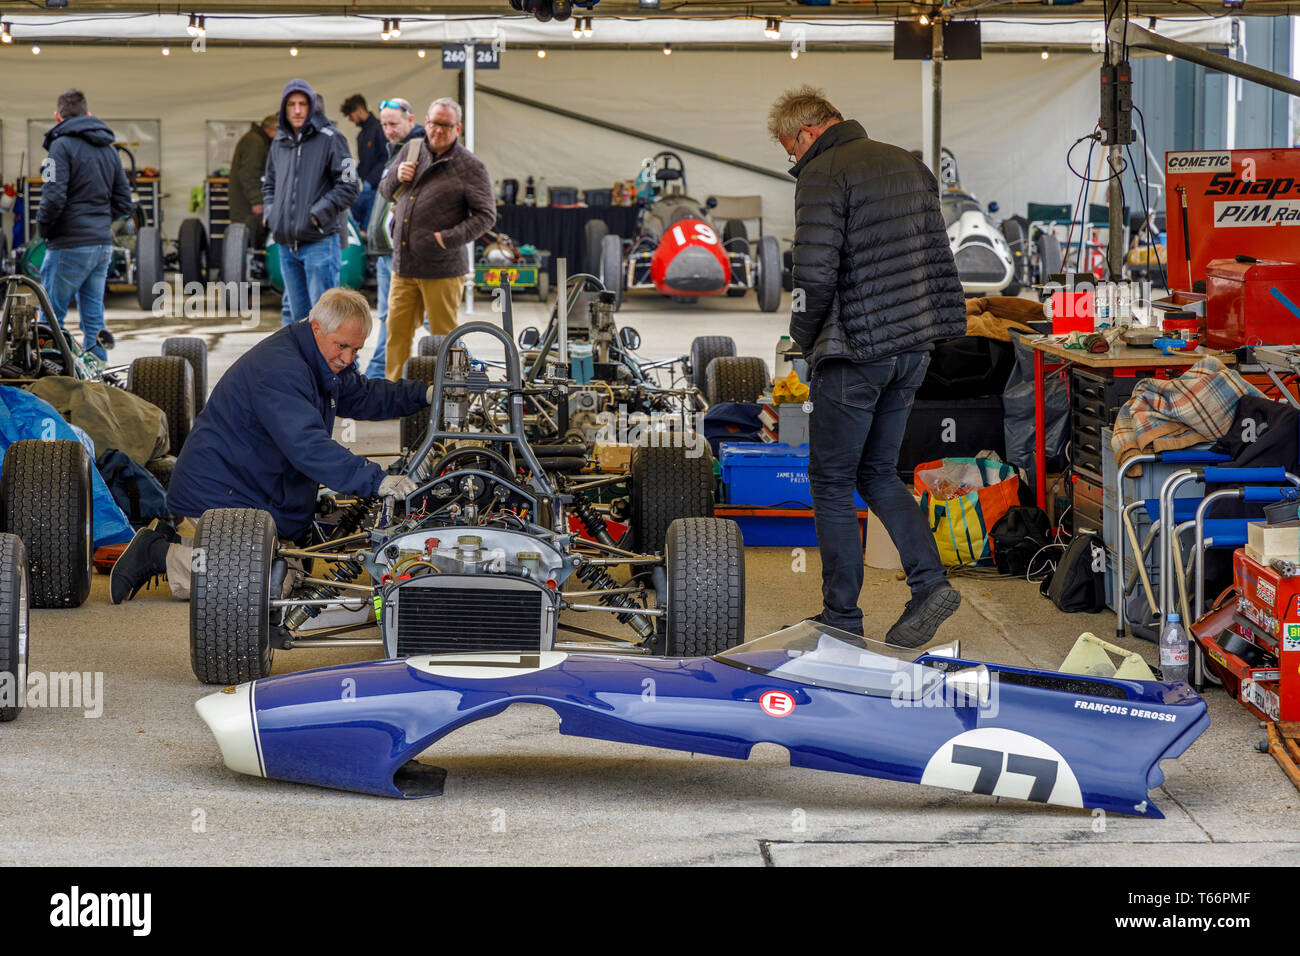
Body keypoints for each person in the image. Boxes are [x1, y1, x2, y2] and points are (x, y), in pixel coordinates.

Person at [771, 85, 966, 647]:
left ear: (807, 133)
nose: (794, 161)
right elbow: (937, 257)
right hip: (913, 349)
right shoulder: (908, 164)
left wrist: (801, 339)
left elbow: (813, 272)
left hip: (857, 350)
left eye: (791, 150)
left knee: (830, 480)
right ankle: (930, 585)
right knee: (877, 473)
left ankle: (841, 618)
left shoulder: (823, 171)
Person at [109, 287, 430, 603]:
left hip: (254, 485)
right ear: (317, 328)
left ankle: (194, 547)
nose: (348, 358)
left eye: (356, 350)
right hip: (222, 491)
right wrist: (377, 479)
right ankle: (161, 553)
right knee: (270, 585)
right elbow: (308, 446)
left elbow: (363, 396)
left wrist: (424, 395)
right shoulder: (281, 370)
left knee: (288, 569)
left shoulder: (319, 358)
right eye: (342, 346)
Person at [378, 97, 495, 380]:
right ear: (425, 122)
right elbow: (384, 190)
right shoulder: (412, 149)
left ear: (458, 128)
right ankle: (395, 395)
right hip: (404, 265)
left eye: (445, 125)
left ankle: (448, 394)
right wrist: (397, 175)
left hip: (441, 268)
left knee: (445, 338)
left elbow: (486, 215)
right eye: (433, 123)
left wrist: (446, 239)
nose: (437, 130)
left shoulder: (470, 166)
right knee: (396, 334)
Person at [36, 89, 132, 361]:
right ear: (88, 115)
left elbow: (53, 197)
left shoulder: (60, 146)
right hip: (101, 245)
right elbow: (124, 202)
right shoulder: (110, 150)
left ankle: (51, 379)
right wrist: (99, 224)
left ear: (58, 117)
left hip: (68, 245)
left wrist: (44, 229)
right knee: (94, 319)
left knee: (50, 319)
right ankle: (97, 378)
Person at [263, 78, 360, 326]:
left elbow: (350, 186)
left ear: (311, 107)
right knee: (298, 322)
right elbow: (269, 184)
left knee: (327, 322)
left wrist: (316, 215)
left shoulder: (332, 138)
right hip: (286, 246)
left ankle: (341, 366)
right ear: (284, 108)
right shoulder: (279, 142)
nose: (297, 110)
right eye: (291, 104)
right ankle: (303, 367)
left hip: (320, 244)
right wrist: (272, 213)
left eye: (302, 104)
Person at [363, 98, 425, 378]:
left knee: (420, 319)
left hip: (406, 252)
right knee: (393, 317)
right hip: (389, 252)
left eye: (393, 124)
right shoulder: (395, 152)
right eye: (384, 124)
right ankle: (381, 375)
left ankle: (379, 377)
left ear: (411, 121)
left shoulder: (418, 150)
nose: (387, 130)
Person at [228, 114, 277, 245]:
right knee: (245, 240)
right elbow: (249, 173)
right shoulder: (255, 142)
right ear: (272, 129)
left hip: (246, 202)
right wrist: (256, 201)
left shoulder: (255, 139)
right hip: (247, 205)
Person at [341, 93, 387, 232]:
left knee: (368, 228)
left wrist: (371, 181)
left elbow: (385, 159)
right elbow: (363, 164)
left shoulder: (380, 128)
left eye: (351, 115)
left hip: (379, 190)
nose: (350, 120)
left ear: (360, 110)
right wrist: (349, 176)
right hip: (365, 190)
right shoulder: (361, 136)